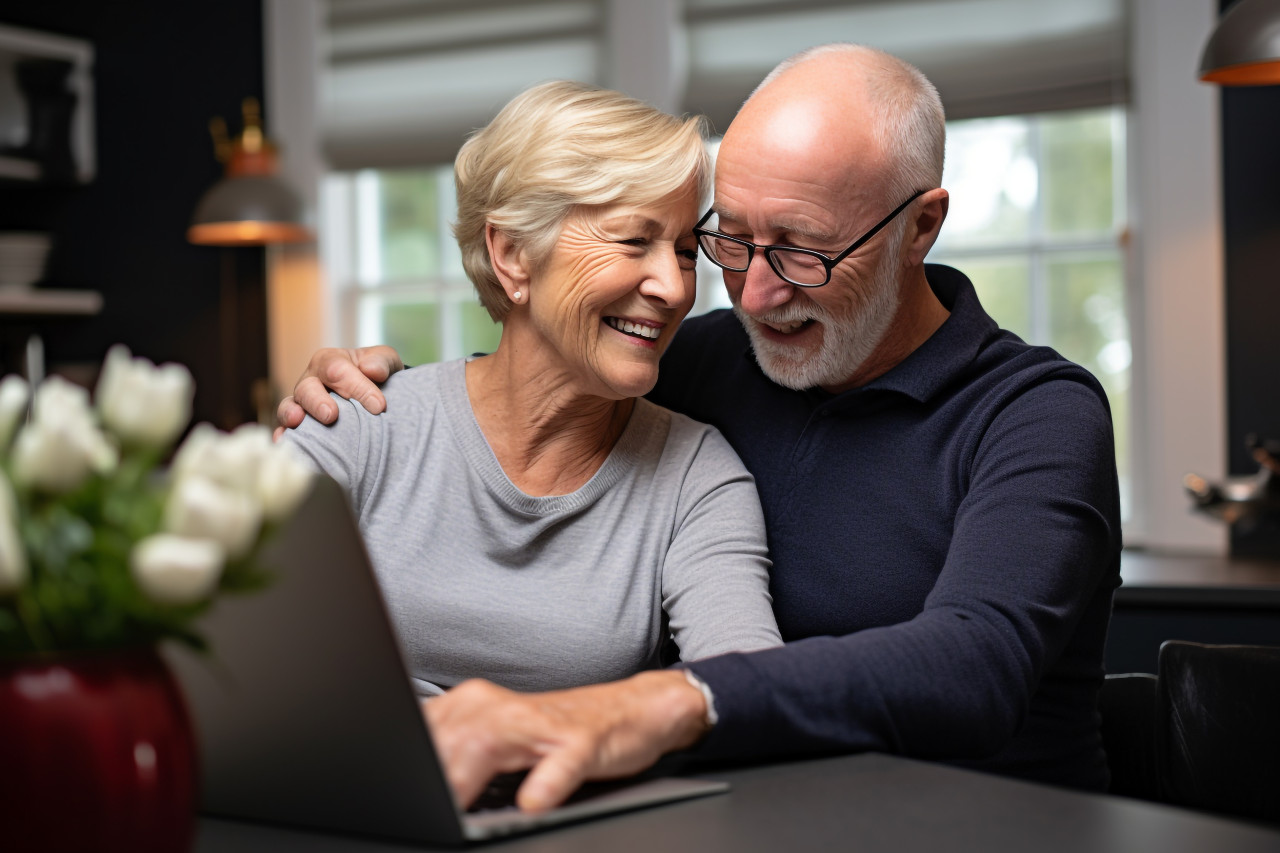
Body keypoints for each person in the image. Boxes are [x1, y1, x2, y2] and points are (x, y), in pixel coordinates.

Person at [279, 44, 1122, 810]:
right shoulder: (717, 358)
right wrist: (362, 398)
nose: (747, 294)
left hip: (982, 822)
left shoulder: (1038, 414)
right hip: (768, 811)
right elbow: (540, 369)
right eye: (729, 240)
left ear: (920, 226)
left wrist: (662, 701)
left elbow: (974, 665)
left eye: (801, 250)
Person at [282, 81, 781, 698]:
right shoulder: (358, 425)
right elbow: (216, 644)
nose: (676, 289)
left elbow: (751, 691)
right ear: (513, 253)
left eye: (684, 252)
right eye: (633, 240)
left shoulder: (694, 478)